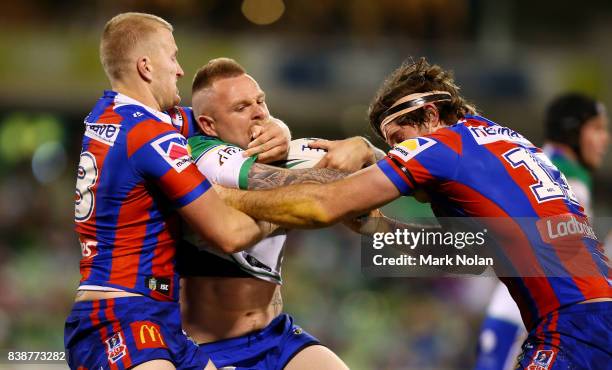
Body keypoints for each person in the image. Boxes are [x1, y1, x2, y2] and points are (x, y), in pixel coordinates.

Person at [215, 58, 612, 369]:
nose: (399, 153)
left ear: (431, 117)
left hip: (574, 326)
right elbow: (461, 254)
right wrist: (377, 224)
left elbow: (321, 207)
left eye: (399, 142)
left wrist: (218, 198)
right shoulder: (503, 142)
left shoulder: (442, 147)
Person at [65, 13, 284, 370]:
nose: (180, 69)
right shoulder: (149, 134)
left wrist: (277, 128)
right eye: (172, 56)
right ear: (146, 66)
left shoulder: (114, 115)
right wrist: (293, 214)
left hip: (156, 316)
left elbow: (223, 117)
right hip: (121, 316)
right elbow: (229, 234)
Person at [178, 57, 382, 369]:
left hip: (276, 335)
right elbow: (317, 192)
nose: (259, 112)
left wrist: (367, 149)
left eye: (260, 101)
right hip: (209, 347)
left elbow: (374, 202)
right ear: (209, 124)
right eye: (241, 107)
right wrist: (357, 160)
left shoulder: (281, 152)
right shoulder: (203, 156)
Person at [474, 92, 609, 370]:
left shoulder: (544, 164)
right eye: (596, 128)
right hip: (534, 323)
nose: (604, 139)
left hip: (517, 315)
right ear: (572, 130)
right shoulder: (566, 181)